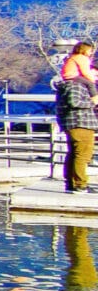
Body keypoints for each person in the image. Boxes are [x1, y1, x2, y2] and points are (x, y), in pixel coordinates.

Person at [55, 41, 98, 191]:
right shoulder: (75, 84)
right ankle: (80, 185)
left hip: (76, 123)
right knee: (82, 155)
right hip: (80, 123)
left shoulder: (70, 82)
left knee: (74, 154)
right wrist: (93, 102)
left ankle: (72, 184)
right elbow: (74, 102)